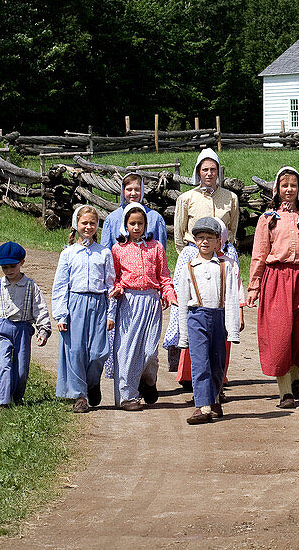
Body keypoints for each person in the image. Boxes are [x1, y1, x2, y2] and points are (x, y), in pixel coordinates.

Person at [247, 167, 299, 409]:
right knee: (280, 335)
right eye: (284, 185)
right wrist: (254, 287)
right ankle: (285, 393)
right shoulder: (268, 219)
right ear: (277, 188)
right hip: (276, 279)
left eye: (293, 185)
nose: (289, 190)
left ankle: (295, 375)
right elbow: (259, 255)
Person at [168, 149, 240, 388]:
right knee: (192, 310)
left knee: (222, 308)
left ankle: (219, 371)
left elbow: (233, 229)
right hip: (193, 255)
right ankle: (189, 372)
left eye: (213, 169)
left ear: (219, 171)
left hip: (223, 255)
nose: (209, 173)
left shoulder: (230, 198)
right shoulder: (186, 199)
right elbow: (179, 235)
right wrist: (192, 257)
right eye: (205, 169)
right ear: (198, 171)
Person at [100, 171, 167, 383]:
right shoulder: (112, 219)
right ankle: (128, 385)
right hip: (125, 293)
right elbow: (107, 257)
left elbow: (160, 255)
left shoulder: (155, 218)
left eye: (137, 189)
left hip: (149, 292)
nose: (133, 193)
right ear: (122, 191)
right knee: (126, 343)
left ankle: (146, 381)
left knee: (148, 346)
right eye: (128, 189)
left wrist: (164, 289)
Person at [108, 202, 177, 410]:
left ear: (146, 225)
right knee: (127, 350)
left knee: (149, 352)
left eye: (140, 223)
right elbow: (115, 277)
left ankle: (148, 381)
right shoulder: (118, 249)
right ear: (125, 226)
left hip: (151, 301)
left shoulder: (156, 247)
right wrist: (118, 288)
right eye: (132, 224)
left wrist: (169, 294)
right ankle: (127, 396)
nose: (136, 228)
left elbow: (164, 276)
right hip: (129, 302)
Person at [175, 217, 243, 425]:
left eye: (210, 238)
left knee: (217, 361)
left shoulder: (225, 267)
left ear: (218, 242)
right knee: (200, 362)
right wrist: (183, 336)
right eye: (200, 238)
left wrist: (232, 330)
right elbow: (183, 303)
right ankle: (202, 405)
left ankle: (214, 400)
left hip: (218, 317)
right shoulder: (189, 267)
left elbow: (231, 299)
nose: (204, 242)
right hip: (196, 318)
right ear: (194, 240)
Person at [53, 205, 115, 413]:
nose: (88, 227)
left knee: (99, 351)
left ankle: (92, 382)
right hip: (76, 303)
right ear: (76, 225)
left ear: (98, 226)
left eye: (92, 223)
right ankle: (80, 396)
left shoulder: (104, 253)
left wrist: (111, 313)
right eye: (84, 223)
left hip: (98, 304)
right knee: (76, 350)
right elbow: (61, 285)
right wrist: (62, 314)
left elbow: (111, 285)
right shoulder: (68, 254)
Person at [0, 241, 51, 408]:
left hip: (23, 329)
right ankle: (4, 402)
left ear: (22, 263)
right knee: (4, 365)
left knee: (21, 369)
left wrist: (43, 330)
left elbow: (40, 308)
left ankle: (17, 397)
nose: (9, 271)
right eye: (4, 267)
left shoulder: (30, 286)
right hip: (3, 329)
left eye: (12, 266)